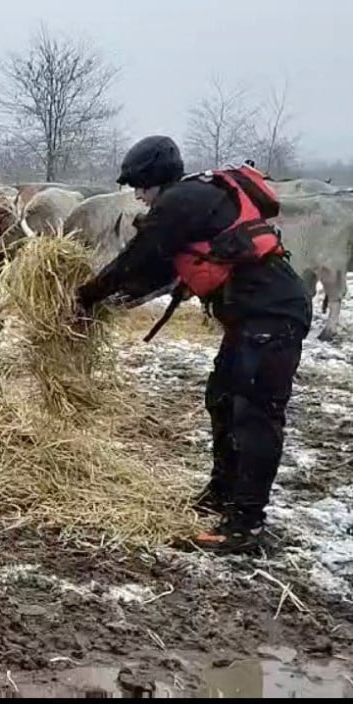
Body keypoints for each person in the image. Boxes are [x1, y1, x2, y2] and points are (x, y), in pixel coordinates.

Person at [75, 135, 312, 554]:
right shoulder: (193, 202)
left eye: (138, 186)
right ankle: (222, 494)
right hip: (252, 315)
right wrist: (103, 303)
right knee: (221, 397)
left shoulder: (179, 202)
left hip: (271, 313)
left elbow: (137, 261)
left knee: (254, 413)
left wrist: (86, 297)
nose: (138, 197)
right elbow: (154, 276)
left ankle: (246, 525)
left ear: (153, 179)